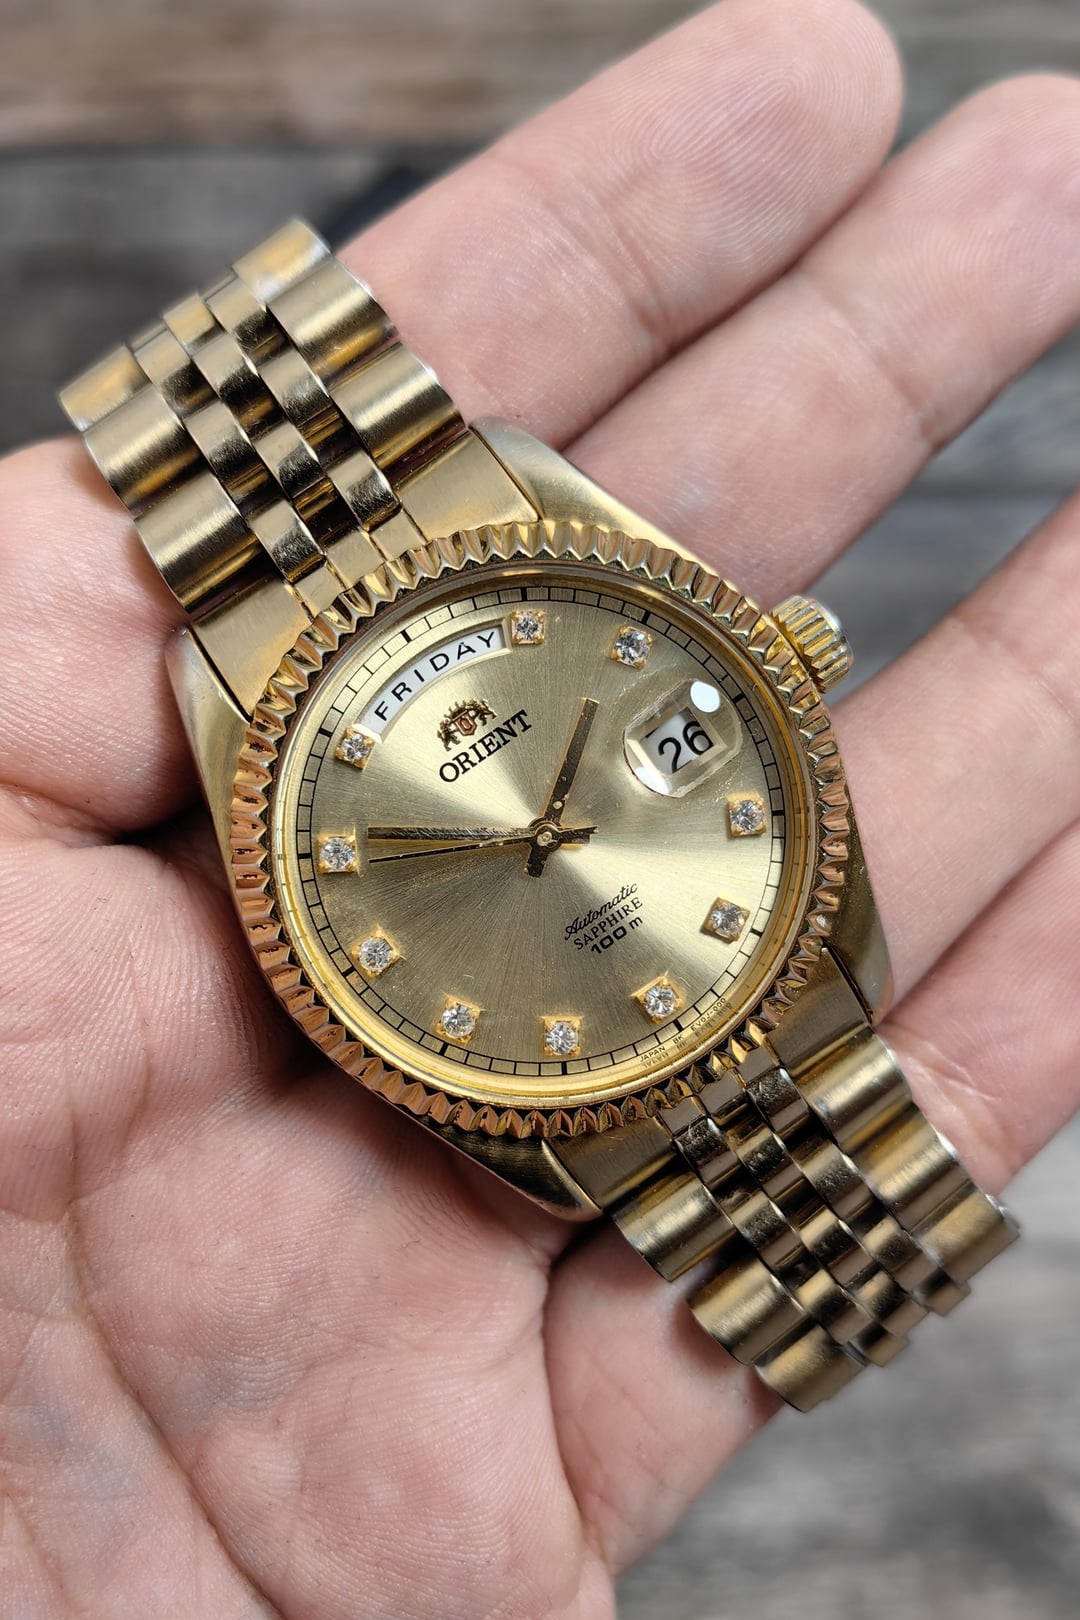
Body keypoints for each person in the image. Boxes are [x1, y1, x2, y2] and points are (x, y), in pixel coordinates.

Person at [2, 0, 1079, 1612]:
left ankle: (858, 1290)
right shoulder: (236, 713)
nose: (538, 831)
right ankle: (852, 1292)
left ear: (777, 659)